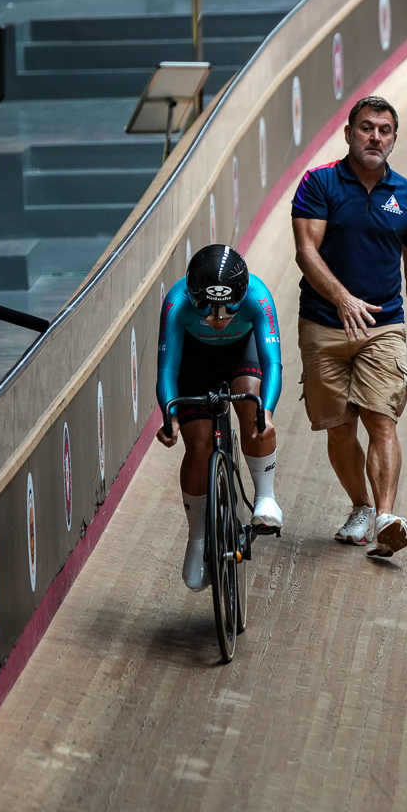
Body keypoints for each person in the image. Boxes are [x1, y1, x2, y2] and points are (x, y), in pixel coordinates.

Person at [292, 95, 407, 558]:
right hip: (323, 325)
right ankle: (360, 506)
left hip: (383, 327)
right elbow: (306, 252)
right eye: (367, 128)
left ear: (394, 139)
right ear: (349, 133)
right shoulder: (319, 183)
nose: (375, 136)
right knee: (339, 427)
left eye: (385, 130)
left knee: (381, 420)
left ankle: (385, 516)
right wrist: (341, 298)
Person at [154, 245, 284, 591]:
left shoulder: (258, 296)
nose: (216, 318)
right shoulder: (176, 302)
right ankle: (197, 538)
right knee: (197, 447)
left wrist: (266, 410)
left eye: (228, 311)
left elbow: (272, 363)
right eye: (207, 311)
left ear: (241, 297)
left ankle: (265, 497)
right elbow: (167, 368)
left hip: (242, 351)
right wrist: (171, 416)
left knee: (253, 407)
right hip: (194, 359)